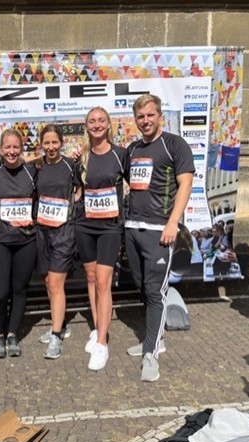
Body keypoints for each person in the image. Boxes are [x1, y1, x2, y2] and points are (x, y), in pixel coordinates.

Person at [125, 94, 194, 382]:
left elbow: (185, 184)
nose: (146, 121)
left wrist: (173, 222)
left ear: (160, 116)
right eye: (141, 116)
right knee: (142, 286)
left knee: (155, 291)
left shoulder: (174, 144)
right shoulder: (132, 149)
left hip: (159, 231)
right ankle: (156, 338)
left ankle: (151, 354)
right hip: (133, 228)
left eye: (150, 115)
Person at [75, 107, 128, 371]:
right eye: (92, 121)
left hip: (109, 227)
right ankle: (97, 328)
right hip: (85, 225)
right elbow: (77, 191)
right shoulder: (82, 158)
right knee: (92, 278)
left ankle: (102, 343)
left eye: (101, 120)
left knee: (104, 282)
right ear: (86, 126)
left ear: (108, 125)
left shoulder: (121, 155)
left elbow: (136, 186)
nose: (96, 125)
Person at [0, 129, 37, 358]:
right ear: (0, 149)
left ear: (22, 149)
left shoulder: (32, 171)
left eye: (16, 147)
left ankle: (12, 334)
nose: (11, 151)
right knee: (0, 292)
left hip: (25, 240)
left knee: (19, 289)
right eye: (7, 147)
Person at [34, 124, 80, 359]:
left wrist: (71, 206)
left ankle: (55, 336)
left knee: (55, 284)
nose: (51, 147)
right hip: (42, 231)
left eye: (55, 142)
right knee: (47, 282)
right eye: (47, 143)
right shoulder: (36, 166)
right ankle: (60, 324)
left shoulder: (71, 165)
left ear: (61, 143)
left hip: (63, 232)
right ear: (41, 144)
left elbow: (81, 189)